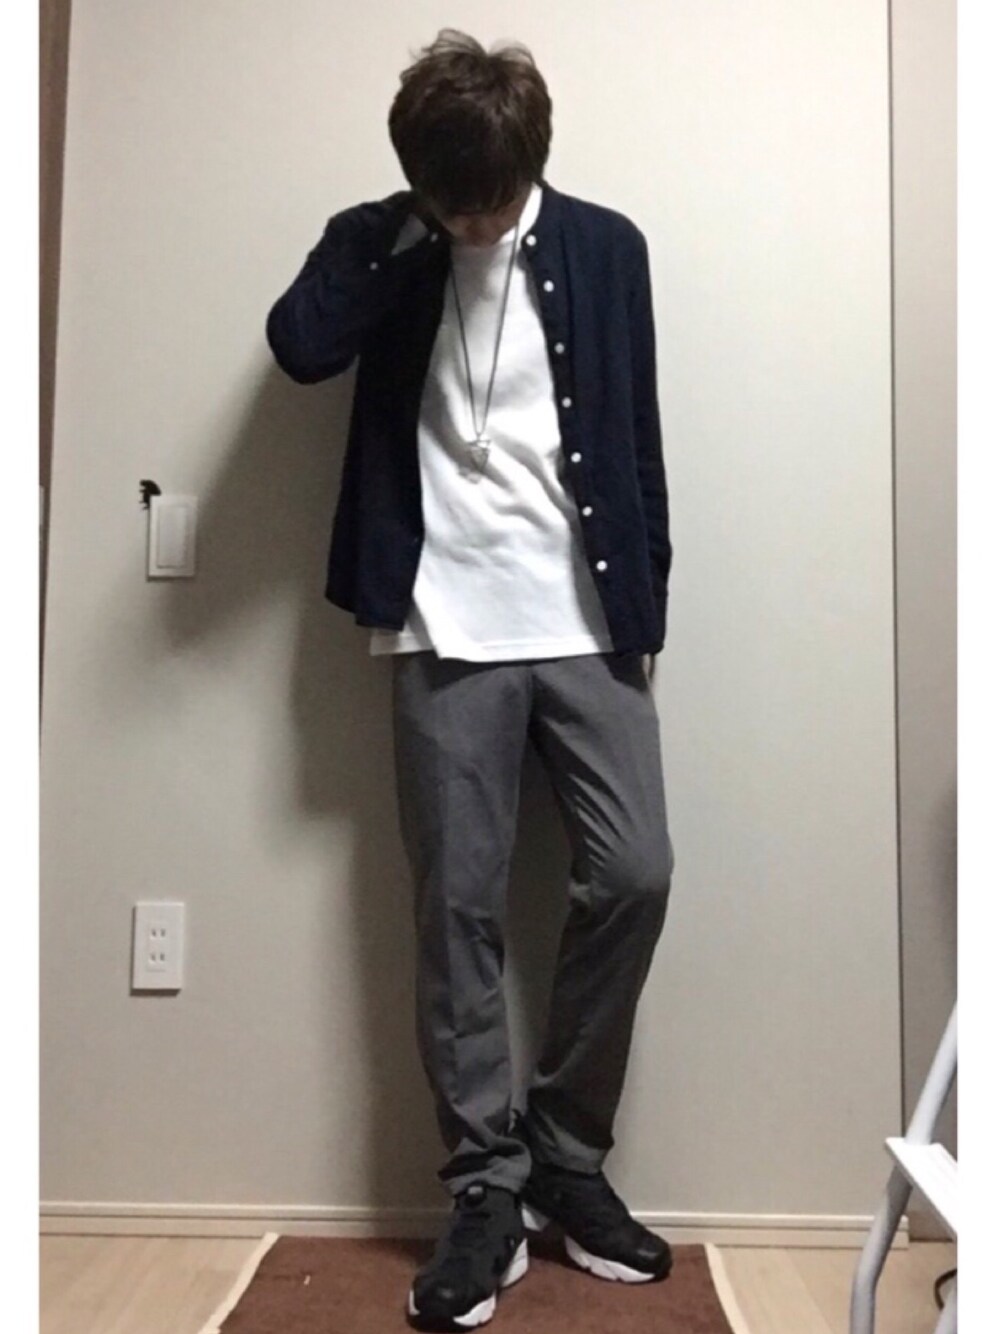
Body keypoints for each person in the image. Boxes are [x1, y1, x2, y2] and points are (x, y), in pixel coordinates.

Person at [266, 27, 675, 1333]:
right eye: (456, 203)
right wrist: (407, 231)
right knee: (457, 913)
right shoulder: (385, 239)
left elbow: (638, 432)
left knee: (636, 872)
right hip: (442, 626)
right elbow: (299, 348)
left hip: (584, 624)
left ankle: (567, 1153)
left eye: (492, 200)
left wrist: (648, 599)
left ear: (530, 164)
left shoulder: (606, 248)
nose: (479, 224)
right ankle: (485, 1190)